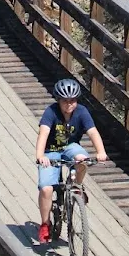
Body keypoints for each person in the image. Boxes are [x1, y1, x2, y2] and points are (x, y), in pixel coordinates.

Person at [35, 78, 108, 244]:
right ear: (58, 100)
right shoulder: (51, 112)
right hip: (51, 151)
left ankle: (77, 186)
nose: (69, 104)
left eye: (73, 100)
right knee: (46, 189)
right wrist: (40, 156)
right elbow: (43, 134)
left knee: (82, 159)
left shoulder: (82, 112)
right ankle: (45, 224)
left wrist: (101, 152)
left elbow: (93, 132)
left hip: (70, 147)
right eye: (65, 101)